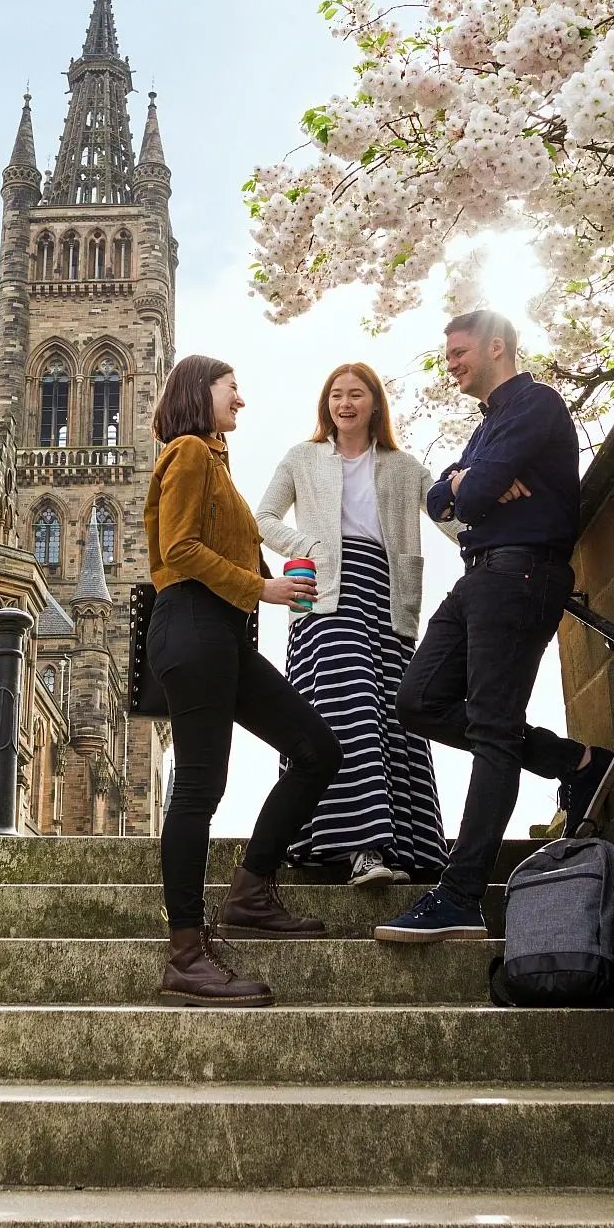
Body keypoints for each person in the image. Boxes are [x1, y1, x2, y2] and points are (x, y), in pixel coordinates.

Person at [375, 309, 614, 944]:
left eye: (459, 351)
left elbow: (471, 500)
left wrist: (471, 486)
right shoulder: (489, 428)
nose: (450, 362)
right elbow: (442, 499)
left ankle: (460, 896)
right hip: (479, 577)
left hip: (523, 577)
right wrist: (463, 481)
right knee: (418, 701)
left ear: (497, 347)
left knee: (490, 730)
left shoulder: (535, 405)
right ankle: (575, 763)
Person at [144, 355, 343, 1005]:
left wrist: (285, 574)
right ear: (202, 391)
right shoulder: (189, 453)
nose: (242, 400)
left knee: (317, 749)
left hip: (223, 634)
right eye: (233, 388)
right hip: (193, 624)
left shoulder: (215, 463)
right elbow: (178, 549)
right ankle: (184, 954)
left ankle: (252, 891)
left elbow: (231, 549)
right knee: (201, 787)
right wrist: (265, 586)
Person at [256, 362, 448, 886]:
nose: (345, 403)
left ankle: (407, 848)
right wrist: (312, 548)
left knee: (393, 714)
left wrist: (501, 529)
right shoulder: (302, 458)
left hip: (385, 599)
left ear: (374, 404)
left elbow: (452, 515)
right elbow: (263, 519)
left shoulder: (405, 468)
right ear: (326, 405)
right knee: (347, 712)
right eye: (336, 395)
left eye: (356, 394)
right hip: (323, 599)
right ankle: (362, 847)